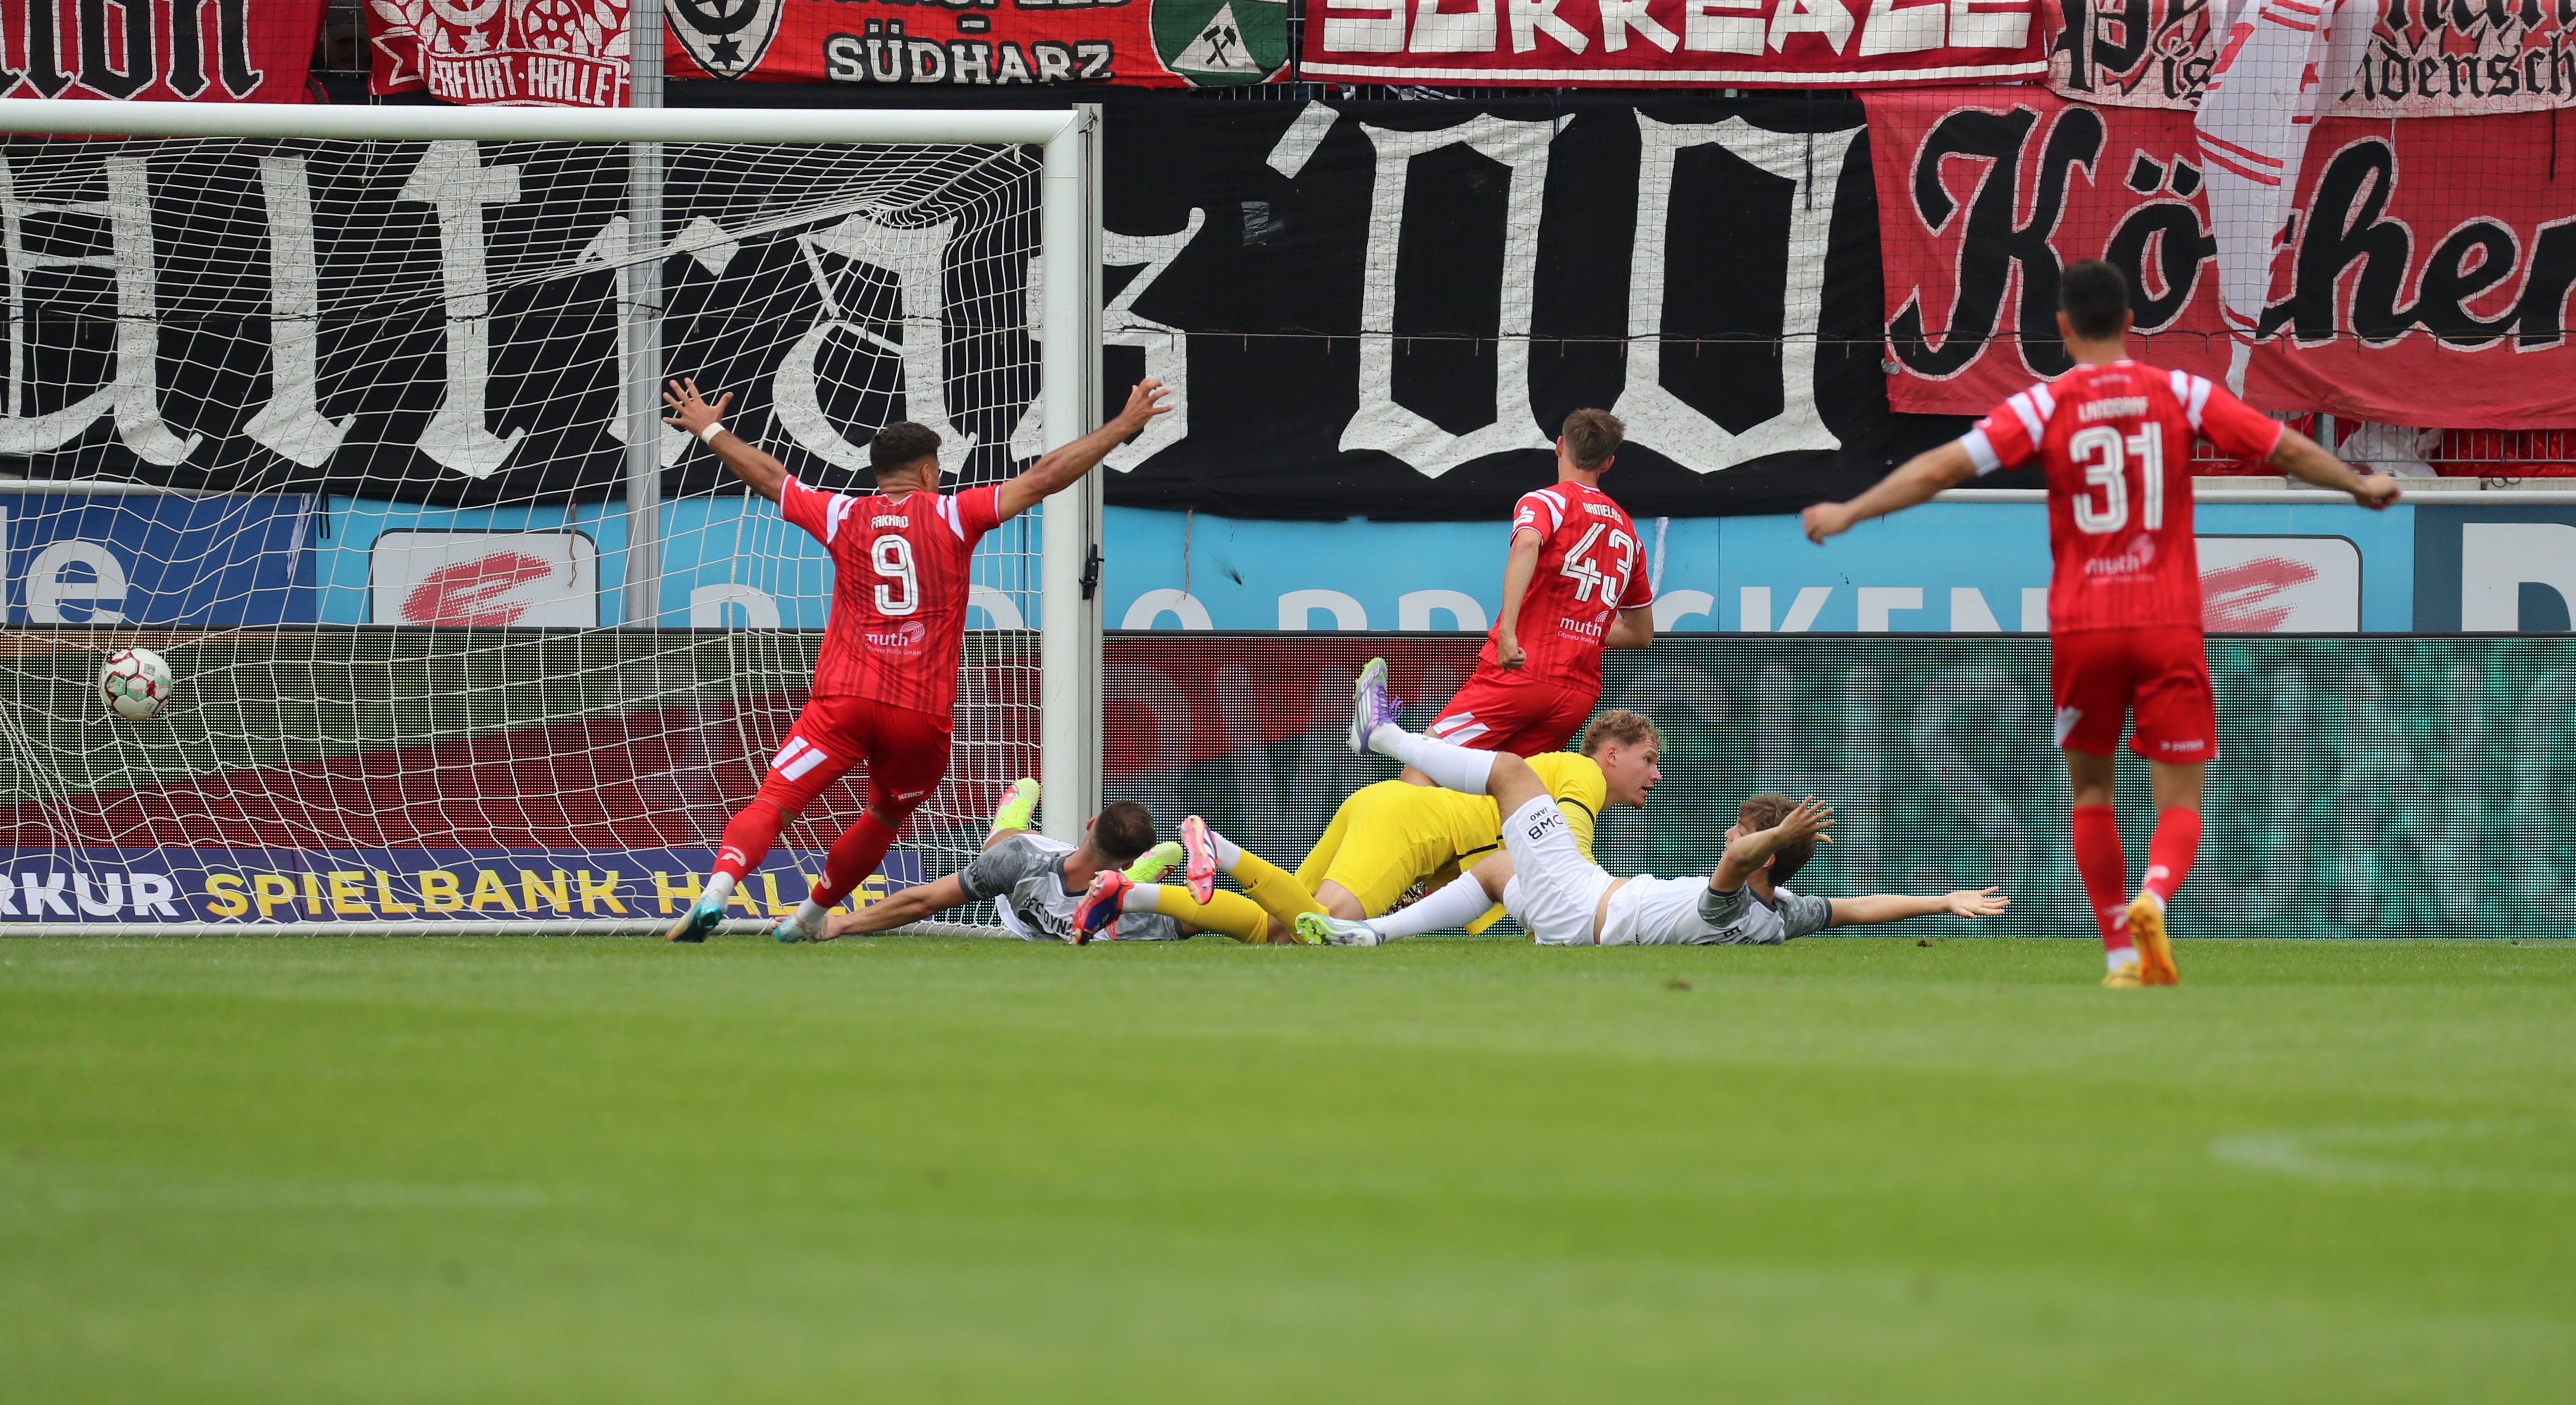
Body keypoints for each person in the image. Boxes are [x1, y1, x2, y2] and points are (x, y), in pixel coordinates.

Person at [1797, 258, 2399, 987]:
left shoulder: (2044, 406)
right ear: (2130, 323)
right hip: (2166, 622)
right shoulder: (2179, 392)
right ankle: (2155, 896)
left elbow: (1939, 469)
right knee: (2180, 801)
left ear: (2062, 328)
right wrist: (2358, 484)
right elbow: (2285, 448)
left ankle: (2119, 954)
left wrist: (1851, 510)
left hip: (2085, 625)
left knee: (2091, 794)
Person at [658, 376, 1173, 943]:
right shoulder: (954, 514)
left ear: (877, 473)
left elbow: (770, 477)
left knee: (776, 802)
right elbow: (1045, 476)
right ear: (928, 473)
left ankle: (718, 890)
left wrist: (710, 430)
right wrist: (1122, 427)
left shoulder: (841, 514)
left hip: (844, 701)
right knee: (883, 817)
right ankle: (808, 918)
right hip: (918, 716)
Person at [1306, 672, 2007, 946]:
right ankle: (1372, 935)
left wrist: (1774, 835)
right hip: (1581, 912)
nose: (1730, 836)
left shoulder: (1731, 904)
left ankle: (1383, 735)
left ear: (1762, 856)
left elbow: (1737, 860)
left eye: (1742, 834)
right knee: (1494, 871)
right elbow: (1854, 908)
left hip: (1581, 905)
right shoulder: (1783, 914)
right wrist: (1941, 900)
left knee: (1513, 773)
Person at [1071, 709, 1664, 944]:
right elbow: (1567, 879)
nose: (1656, 775)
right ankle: (1218, 847)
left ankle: (1130, 893)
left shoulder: (1562, 772)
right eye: (1649, 759)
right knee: (1318, 932)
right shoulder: (1585, 775)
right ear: (1611, 754)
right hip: (1408, 827)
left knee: (1274, 929)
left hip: (1386, 808)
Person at [1388, 409, 1654, 774]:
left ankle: (1385, 749)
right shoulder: (1630, 534)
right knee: (1508, 787)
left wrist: (1509, 633)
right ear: (1608, 462)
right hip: (1577, 694)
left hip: (1521, 674)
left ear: (1559, 446)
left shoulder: (1547, 502)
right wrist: (1580, 627)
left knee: (1424, 766)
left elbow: (1528, 543)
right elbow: (1641, 634)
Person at [810, 786, 1196, 944]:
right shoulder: (1131, 916)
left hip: (1037, 875)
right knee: (1004, 844)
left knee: (1001, 850)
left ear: (1090, 824)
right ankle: (1010, 819)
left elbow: (922, 901)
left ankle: (1139, 875)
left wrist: (841, 923)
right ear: (1127, 859)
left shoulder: (1020, 861)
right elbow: (1200, 916)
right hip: (1043, 871)